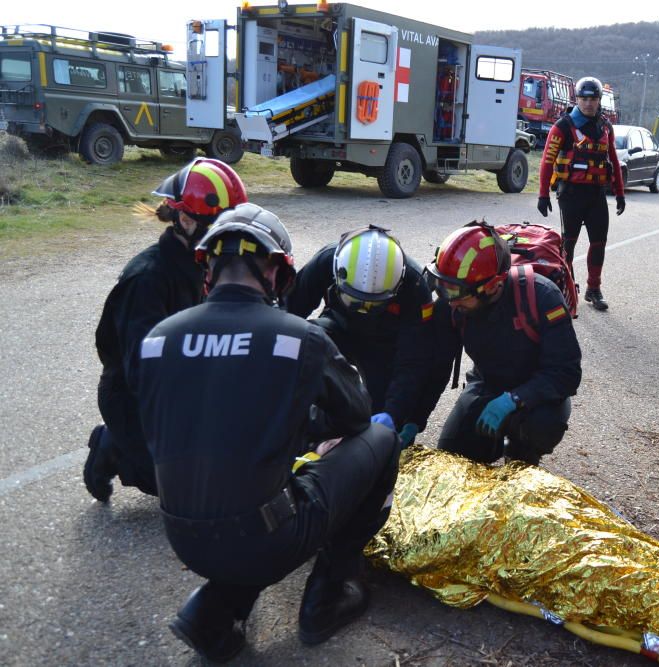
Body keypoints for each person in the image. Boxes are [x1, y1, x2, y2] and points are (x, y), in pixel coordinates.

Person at [136, 203, 400, 661]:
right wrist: (315, 427)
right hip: (262, 539)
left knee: (246, 489)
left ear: (208, 269)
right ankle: (327, 595)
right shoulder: (300, 338)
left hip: (181, 535)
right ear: (277, 272)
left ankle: (215, 609)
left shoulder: (159, 338)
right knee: (380, 439)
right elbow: (358, 416)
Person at [83, 158, 248, 502]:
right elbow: (142, 370)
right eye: (220, 230)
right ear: (186, 220)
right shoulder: (148, 280)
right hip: (131, 394)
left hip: (184, 378)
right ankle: (112, 447)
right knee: (182, 485)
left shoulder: (202, 262)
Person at [422, 222, 582, 465]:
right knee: (453, 455)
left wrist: (514, 399)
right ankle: (490, 443)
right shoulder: (453, 301)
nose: (451, 302)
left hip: (537, 394)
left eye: (459, 295)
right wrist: (413, 418)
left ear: (493, 286)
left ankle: (522, 453)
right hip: (488, 383)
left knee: (541, 427)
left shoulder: (542, 296)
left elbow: (566, 373)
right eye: (445, 289)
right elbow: (435, 367)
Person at [285, 225, 435, 447]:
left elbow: (412, 361)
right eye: (355, 301)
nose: (363, 309)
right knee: (305, 346)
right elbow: (287, 316)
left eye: (374, 304)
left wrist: (394, 413)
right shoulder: (327, 261)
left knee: (380, 424)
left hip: (384, 345)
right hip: (338, 326)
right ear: (338, 276)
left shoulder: (414, 286)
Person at [537, 76, 625, 312]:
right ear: (577, 99)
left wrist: (620, 193)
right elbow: (547, 161)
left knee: (599, 243)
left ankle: (593, 289)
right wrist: (543, 194)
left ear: (599, 100)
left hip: (596, 194)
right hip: (571, 194)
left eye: (593, 98)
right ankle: (566, 288)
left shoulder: (605, 126)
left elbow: (614, 160)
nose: (588, 103)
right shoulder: (563, 126)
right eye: (584, 98)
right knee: (568, 244)